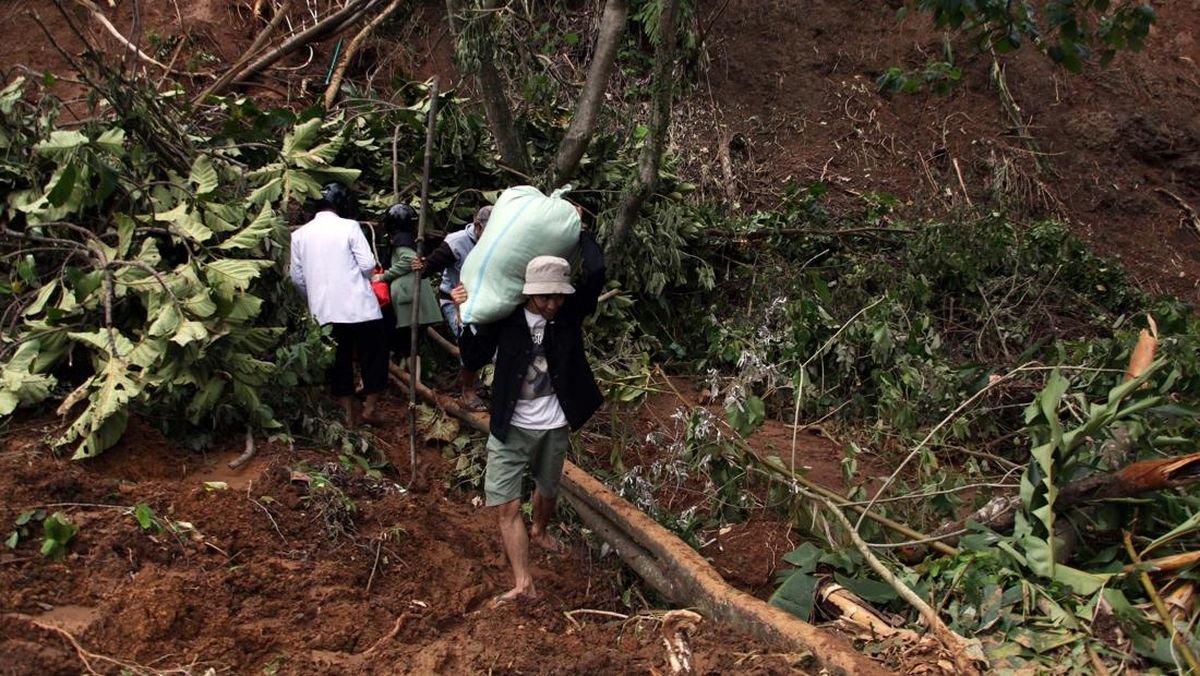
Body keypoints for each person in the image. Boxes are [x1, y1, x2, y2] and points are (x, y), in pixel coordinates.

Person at [455, 226, 605, 605]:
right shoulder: (505, 320)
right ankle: (524, 582)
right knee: (506, 506)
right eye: (543, 297)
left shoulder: (569, 315)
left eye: (557, 296)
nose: (551, 303)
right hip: (510, 426)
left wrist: (583, 232)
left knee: (548, 489)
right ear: (527, 292)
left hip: (554, 425)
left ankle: (539, 529)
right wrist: (466, 315)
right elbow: (472, 358)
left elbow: (598, 271)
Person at [289, 183, 388, 426]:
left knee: (339, 363)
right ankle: (370, 409)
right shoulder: (350, 227)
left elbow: (296, 278)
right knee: (373, 357)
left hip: (324, 313)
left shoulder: (299, 235)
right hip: (361, 308)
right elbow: (367, 264)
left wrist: (313, 299)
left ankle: (346, 416)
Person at [413, 205, 492, 410]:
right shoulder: (457, 243)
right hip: (454, 299)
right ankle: (468, 391)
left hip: (484, 301)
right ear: (477, 226)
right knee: (468, 339)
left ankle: (477, 381)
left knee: (488, 342)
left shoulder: (496, 243)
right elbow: (430, 266)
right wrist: (422, 266)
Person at [373, 203, 443, 363]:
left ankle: (414, 382)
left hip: (409, 300)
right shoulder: (410, 239)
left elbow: (409, 259)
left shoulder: (401, 241)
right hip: (412, 297)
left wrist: (384, 276)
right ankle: (414, 381)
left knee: (406, 345)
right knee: (411, 347)